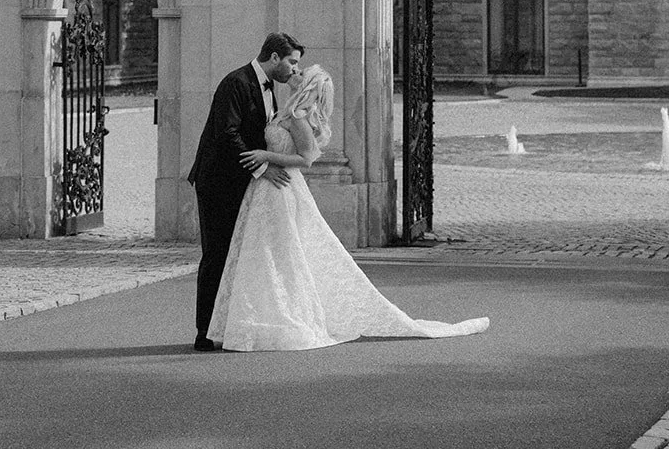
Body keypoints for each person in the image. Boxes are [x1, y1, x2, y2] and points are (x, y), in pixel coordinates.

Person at [208, 64, 490, 351]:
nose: (295, 72)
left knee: (279, 254)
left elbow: (306, 159)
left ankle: (280, 319)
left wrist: (266, 155)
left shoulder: (298, 118)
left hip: (281, 188)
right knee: (263, 254)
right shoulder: (285, 111)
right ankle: (254, 320)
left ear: (306, 86)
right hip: (266, 188)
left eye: (300, 73)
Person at [187, 31, 304, 351]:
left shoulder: (271, 89)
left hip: (243, 183)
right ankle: (204, 331)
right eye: (292, 62)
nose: (294, 69)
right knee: (217, 253)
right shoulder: (236, 83)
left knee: (241, 254)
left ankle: (230, 325)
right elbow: (227, 134)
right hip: (218, 181)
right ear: (275, 57)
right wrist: (264, 168)